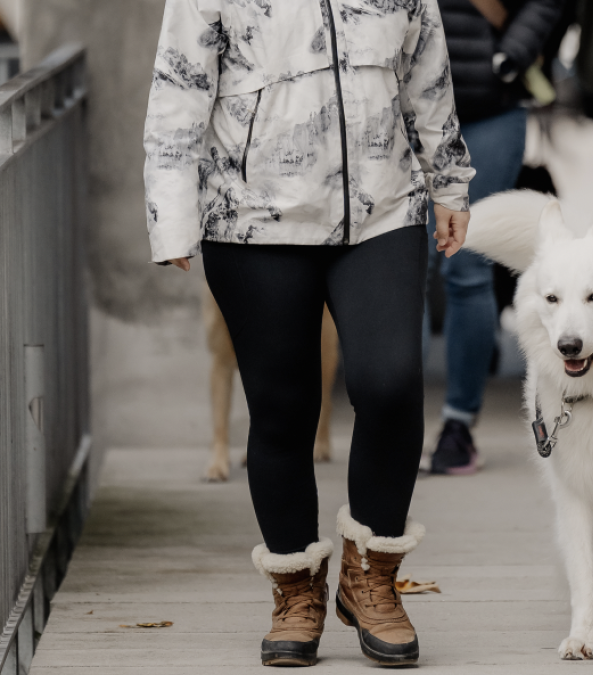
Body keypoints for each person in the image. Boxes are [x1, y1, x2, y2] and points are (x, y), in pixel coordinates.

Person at [143, 0, 473, 667]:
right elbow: (179, 84)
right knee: (282, 407)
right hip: (253, 218)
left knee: (391, 383)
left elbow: (427, 68)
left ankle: (372, 573)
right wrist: (170, 210)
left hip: (384, 206)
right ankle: (295, 588)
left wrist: (449, 180)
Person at [427, 0, 563, 475]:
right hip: (399, 113)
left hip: (486, 108)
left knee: (465, 266)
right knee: (400, 266)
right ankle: (389, 421)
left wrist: (510, 56)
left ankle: (458, 426)